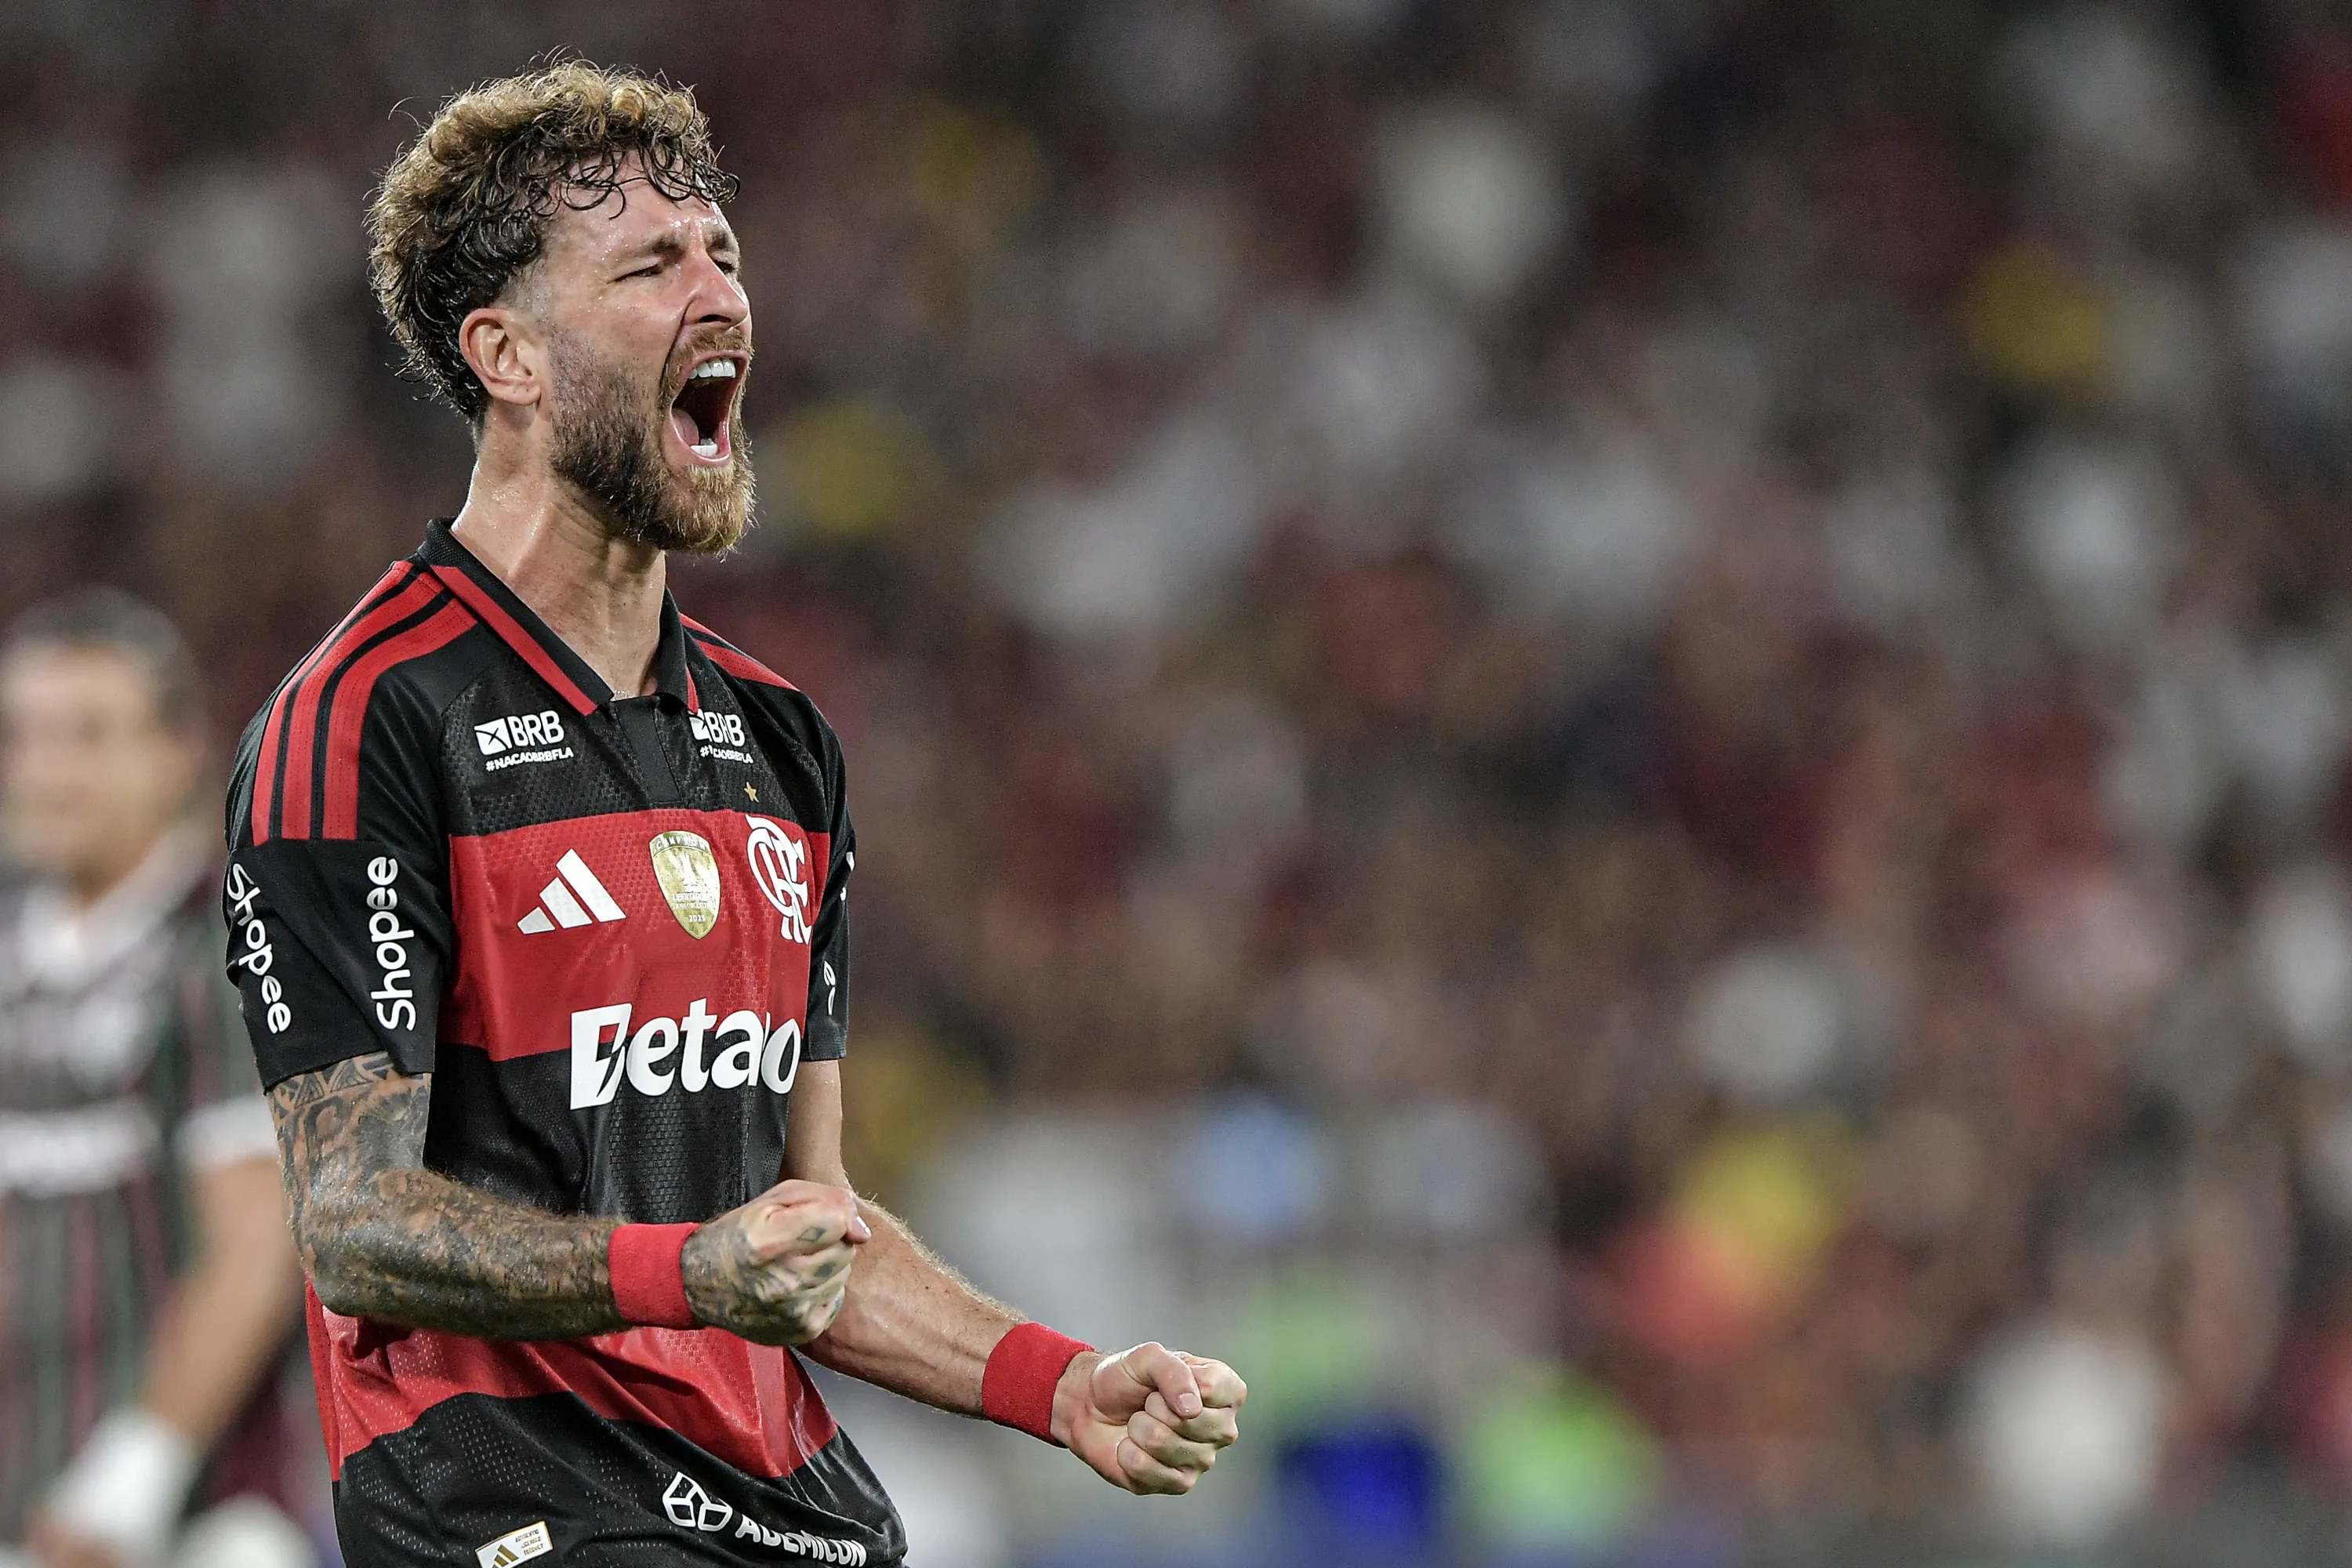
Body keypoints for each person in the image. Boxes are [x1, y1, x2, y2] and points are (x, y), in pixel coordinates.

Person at [222, 61, 1244, 1566]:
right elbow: (357, 1227)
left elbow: (805, 1228)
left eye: (726, 256)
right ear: (506, 354)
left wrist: (1063, 1384)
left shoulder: (780, 743)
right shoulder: (367, 718)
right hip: (516, 1506)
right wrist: (687, 1272)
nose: (721, 297)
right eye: (651, 266)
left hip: (788, 1505)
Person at [0, 591, 316, 1568]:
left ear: (178, 751)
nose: (49, 773)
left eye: (89, 735)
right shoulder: (13, 950)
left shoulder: (228, 947)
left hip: (194, 1521)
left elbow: (259, 1241)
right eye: (25, 736)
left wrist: (136, 1469)